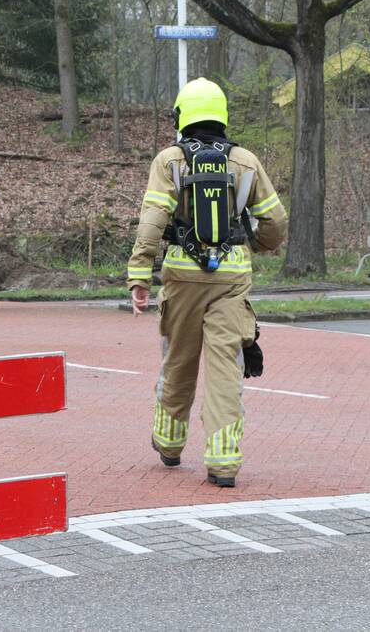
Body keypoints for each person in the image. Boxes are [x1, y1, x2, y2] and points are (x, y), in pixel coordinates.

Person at [126, 78, 287, 487]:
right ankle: (223, 463)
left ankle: (169, 443)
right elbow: (275, 221)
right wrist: (258, 244)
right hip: (232, 279)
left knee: (178, 360)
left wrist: (140, 274)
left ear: (182, 116)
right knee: (225, 371)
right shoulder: (246, 162)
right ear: (221, 115)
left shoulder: (170, 160)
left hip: (181, 275)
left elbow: (153, 220)